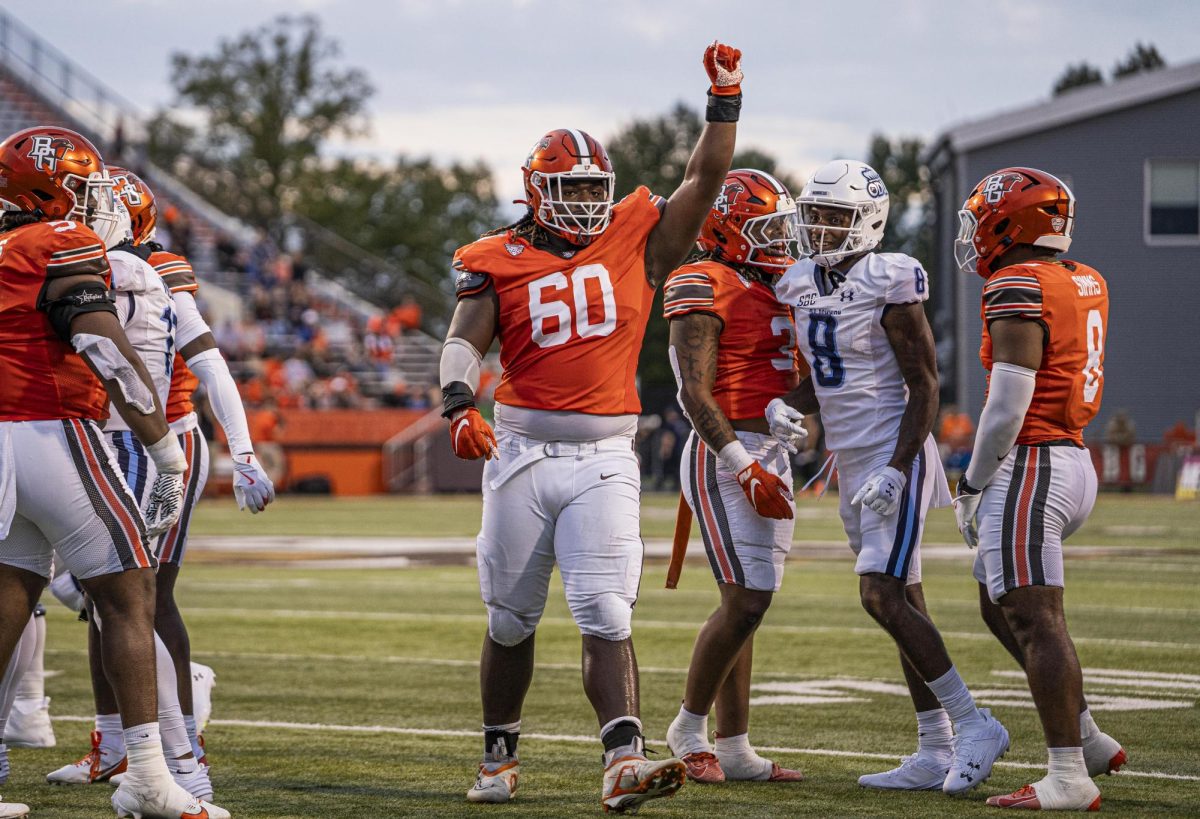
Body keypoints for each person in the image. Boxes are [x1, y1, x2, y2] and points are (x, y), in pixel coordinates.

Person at [439, 42, 744, 814]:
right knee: (510, 617)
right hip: (520, 452)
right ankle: (499, 757)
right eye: (570, 189)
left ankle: (623, 759)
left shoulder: (633, 238)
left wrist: (725, 101)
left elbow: (704, 178)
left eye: (593, 189)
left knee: (606, 609)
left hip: (606, 453)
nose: (584, 202)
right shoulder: (497, 258)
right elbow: (462, 341)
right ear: (537, 191)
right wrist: (455, 403)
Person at [0, 125, 223, 818]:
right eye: (82, 187)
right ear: (48, 189)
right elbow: (102, 341)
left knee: (9, 598)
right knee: (130, 593)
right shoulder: (57, 243)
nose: (93, 203)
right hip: (52, 427)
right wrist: (161, 447)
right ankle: (149, 775)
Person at [771, 159, 1009, 796]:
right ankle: (935, 748)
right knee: (906, 597)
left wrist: (900, 468)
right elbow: (829, 378)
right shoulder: (799, 282)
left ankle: (973, 722)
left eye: (834, 216)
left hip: (890, 456)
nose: (819, 227)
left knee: (879, 594)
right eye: (813, 214)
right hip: (851, 463)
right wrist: (787, 404)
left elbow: (924, 385)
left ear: (868, 223)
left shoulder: (890, 278)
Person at [45, 167, 273, 803]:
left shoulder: (156, 268)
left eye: (89, 208)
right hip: (97, 437)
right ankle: (115, 744)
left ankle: (184, 753)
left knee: (139, 599)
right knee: (100, 598)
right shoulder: (67, 261)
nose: (79, 218)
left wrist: (245, 451)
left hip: (159, 442)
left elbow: (209, 362)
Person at [952, 167, 1125, 810]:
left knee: (1035, 618)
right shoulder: (1083, 278)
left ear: (1009, 220)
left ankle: (1068, 775)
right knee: (995, 599)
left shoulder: (1018, 282)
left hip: (1031, 464)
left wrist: (971, 480)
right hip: (1072, 461)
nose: (975, 235)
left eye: (981, 220)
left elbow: (1007, 406)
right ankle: (1088, 737)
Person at [662, 169, 805, 784]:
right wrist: (742, 464)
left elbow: (783, 372)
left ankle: (736, 746)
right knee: (747, 598)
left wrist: (786, 407)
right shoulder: (702, 280)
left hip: (770, 447)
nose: (778, 239)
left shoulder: (778, 284)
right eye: (764, 227)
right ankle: (688, 726)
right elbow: (693, 392)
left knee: (748, 603)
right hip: (725, 453)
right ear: (725, 225)